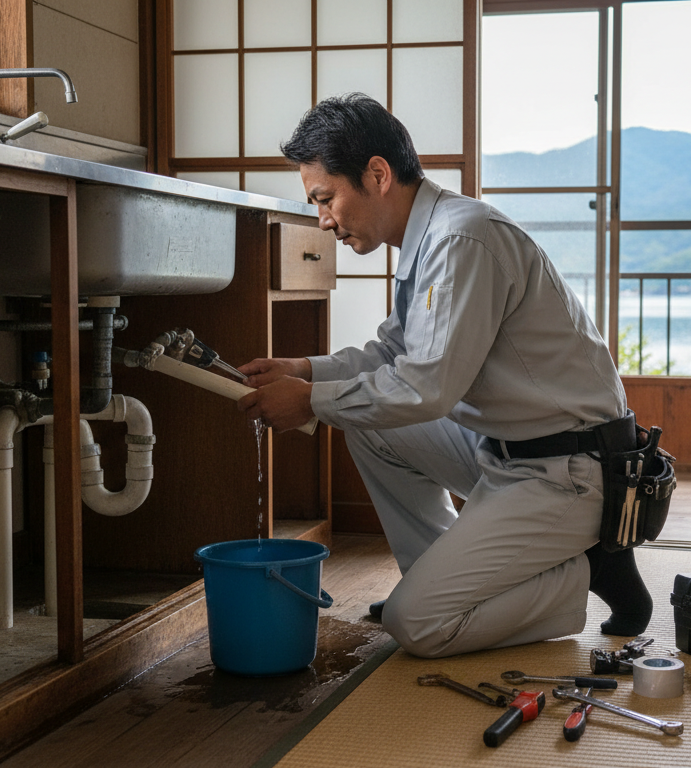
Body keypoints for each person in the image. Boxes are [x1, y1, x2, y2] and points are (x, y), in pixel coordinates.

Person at [236, 93, 652, 659]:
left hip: (569, 471)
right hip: (508, 452)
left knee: (417, 625)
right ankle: (443, 580)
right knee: (370, 426)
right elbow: (392, 353)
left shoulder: (460, 239)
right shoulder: (430, 238)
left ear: (377, 174)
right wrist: (304, 369)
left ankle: (587, 568)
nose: (323, 219)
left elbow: (425, 388)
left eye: (326, 199)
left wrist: (310, 400)